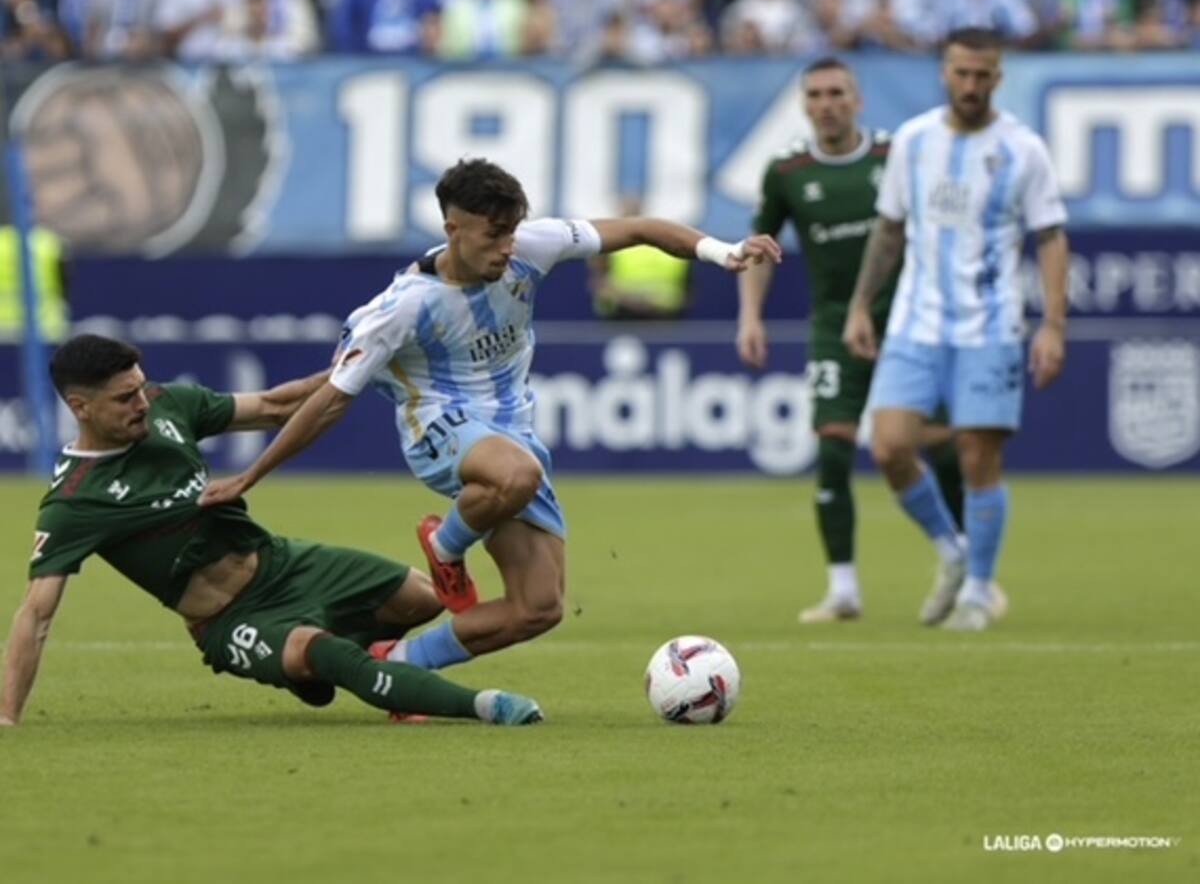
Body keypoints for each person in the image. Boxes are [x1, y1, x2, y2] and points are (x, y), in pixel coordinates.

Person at [200, 158, 781, 674]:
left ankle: (399, 665)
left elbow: (638, 229)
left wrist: (722, 251)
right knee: (515, 474)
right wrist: (253, 476)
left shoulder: (531, 247)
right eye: (493, 234)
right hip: (438, 428)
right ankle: (446, 546)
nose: (507, 247)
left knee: (538, 608)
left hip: (512, 433)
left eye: (512, 231)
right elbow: (329, 398)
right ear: (453, 229)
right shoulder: (400, 309)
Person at [0, 334, 543, 727]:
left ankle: (334, 669)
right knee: (325, 652)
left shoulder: (168, 407)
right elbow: (37, 613)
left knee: (422, 602)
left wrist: (358, 367)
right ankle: (480, 705)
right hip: (228, 617)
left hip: (282, 562)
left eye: (140, 388)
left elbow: (273, 407)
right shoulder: (75, 501)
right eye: (125, 398)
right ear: (80, 407)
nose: (143, 402)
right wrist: (6, 718)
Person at [843, 27, 1069, 631]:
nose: (971, 85)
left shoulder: (1024, 149)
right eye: (961, 73)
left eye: (983, 75)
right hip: (916, 322)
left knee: (977, 455)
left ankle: (979, 590)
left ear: (998, 77)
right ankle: (954, 553)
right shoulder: (914, 142)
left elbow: (1050, 236)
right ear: (945, 72)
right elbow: (889, 229)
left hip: (990, 325)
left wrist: (1053, 324)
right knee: (889, 445)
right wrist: (861, 305)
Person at [737, 56, 967, 624]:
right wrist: (751, 316)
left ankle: (967, 566)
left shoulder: (895, 155)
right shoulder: (787, 171)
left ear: (857, 99)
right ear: (805, 103)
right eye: (815, 94)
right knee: (834, 445)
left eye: (837, 92)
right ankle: (843, 588)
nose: (827, 103)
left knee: (937, 439)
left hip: (910, 319)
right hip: (836, 324)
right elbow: (761, 245)